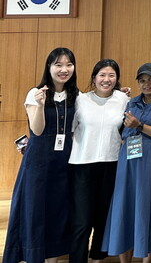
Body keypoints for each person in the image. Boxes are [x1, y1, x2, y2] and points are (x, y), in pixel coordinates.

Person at [3, 47, 79, 263]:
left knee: (58, 212)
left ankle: (52, 258)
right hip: (38, 162)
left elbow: (75, 131)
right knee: (35, 210)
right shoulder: (35, 93)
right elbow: (36, 130)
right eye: (58, 64)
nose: (64, 69)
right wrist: (39, 104)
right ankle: (33, 256)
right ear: (49, 67)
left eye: (69, 64)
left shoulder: (76, 96)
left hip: (64, 162)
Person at [102, 62, 151, 262]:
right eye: (142, 80)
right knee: (124, 205)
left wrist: (140, 126)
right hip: (128, 161)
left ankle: (147, 260)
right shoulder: (131, 103)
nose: (147, 84)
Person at [69, 59, 129, 263]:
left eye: (111, 75)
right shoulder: (81, 100)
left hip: (111, 164)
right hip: (82, 165)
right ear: (94, 78)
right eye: (102, 75)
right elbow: (69, 131)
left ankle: (97, 258)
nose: (106, 79)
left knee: (104, 217)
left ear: (117, 79)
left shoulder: (123, 99)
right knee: (82, 220)